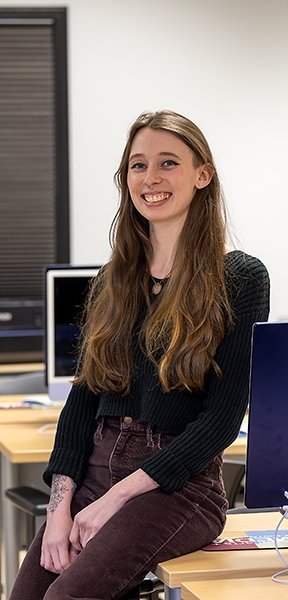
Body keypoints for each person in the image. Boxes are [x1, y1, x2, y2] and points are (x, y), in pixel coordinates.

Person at [10, 110, 270, 600]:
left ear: (202, 175)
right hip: (94, 470)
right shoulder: (116, 278)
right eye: (137, 165)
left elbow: (222, 418)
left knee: (67, 596)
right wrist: (60, 504)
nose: (150, 178)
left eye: (167, 162)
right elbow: (83, 403)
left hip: (178, 487)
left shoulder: (240, 277)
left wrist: (115, 500)